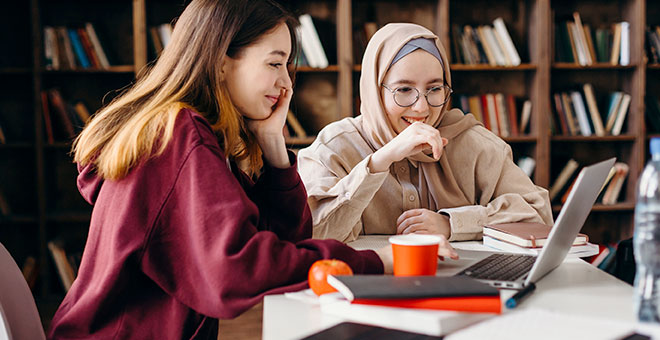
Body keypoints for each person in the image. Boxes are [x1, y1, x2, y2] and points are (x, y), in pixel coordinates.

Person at [47, 2, 460, 339]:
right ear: (222, 61)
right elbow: (235, 272)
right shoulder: (178, 135)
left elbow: (287, 240)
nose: (287, 83)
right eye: (275, 63)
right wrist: (375, 261)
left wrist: (274, 144)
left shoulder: (204, 134)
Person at [297, 23, 553, 243]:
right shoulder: (334, 149)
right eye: (404, 90)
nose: (421, 107)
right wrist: (380, 161)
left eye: (434, 88)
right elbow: (312, 233)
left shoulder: (470, 142)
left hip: (457, 286)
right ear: (374, 91)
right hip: (365, 287)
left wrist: (454, 224)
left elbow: (539, 215)